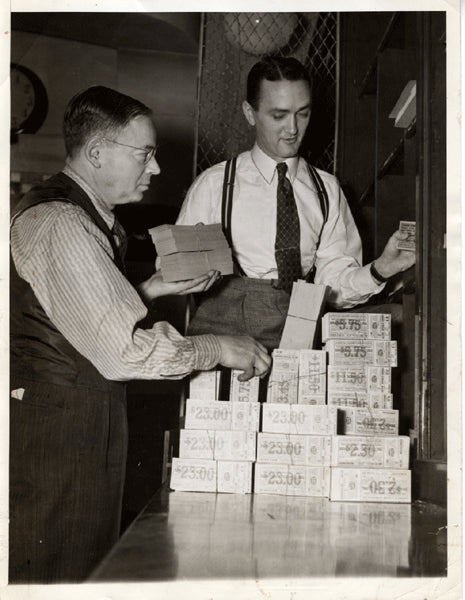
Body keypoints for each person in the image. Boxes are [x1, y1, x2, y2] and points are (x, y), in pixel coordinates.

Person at [9, 85, 271, 583]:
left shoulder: (83, 218)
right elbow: (124, 355)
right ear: (96, 152)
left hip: (74, 425)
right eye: (145, 153)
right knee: (60, 574)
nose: (154, 168)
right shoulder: (62, 222)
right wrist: (219, 347)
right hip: (58, 439)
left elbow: (73, 315)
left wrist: (150, 287)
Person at [176, 56, 416, 350]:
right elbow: (177, 274)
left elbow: (334, 287)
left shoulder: (326, 189)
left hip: (298, 338)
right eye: (279, 115)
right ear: (250, 113)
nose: (292, 128)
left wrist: (380, 269)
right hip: (224, 342)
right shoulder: (214, 185)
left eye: (302, 114)